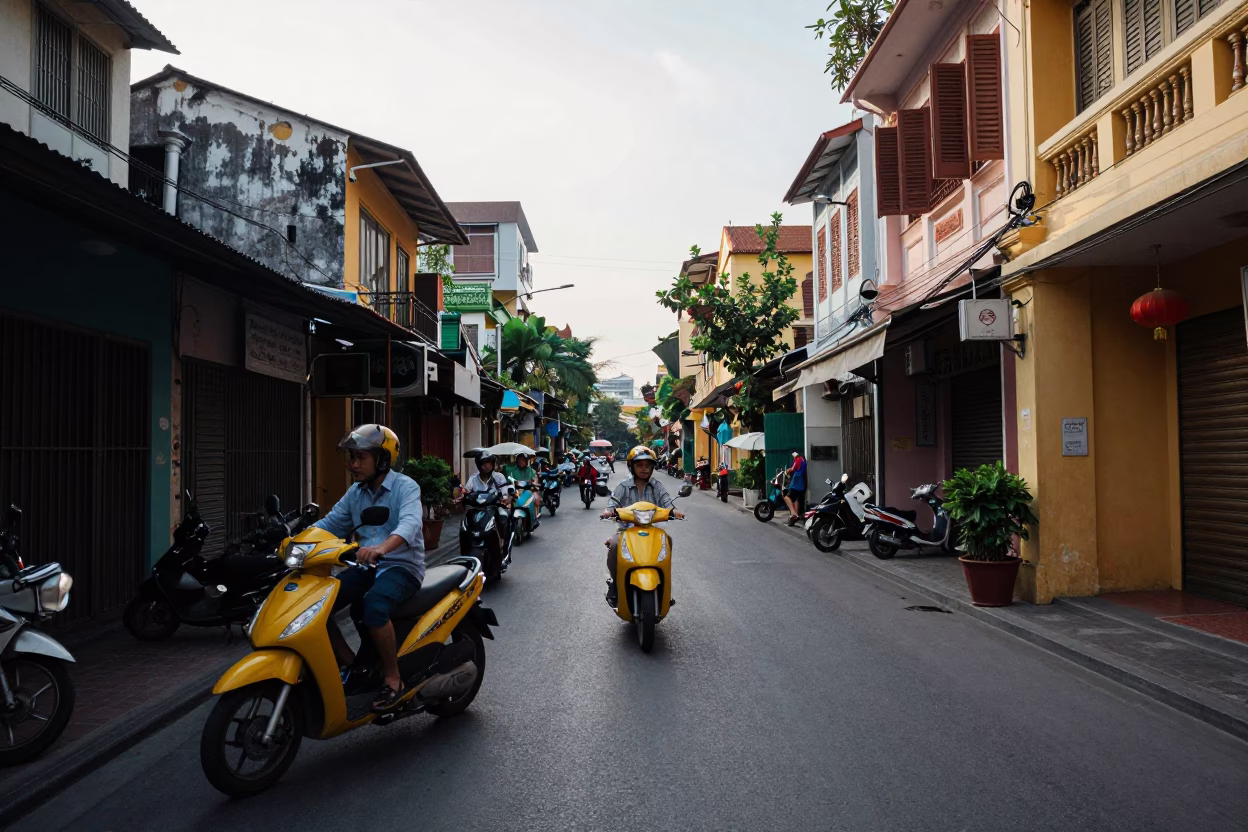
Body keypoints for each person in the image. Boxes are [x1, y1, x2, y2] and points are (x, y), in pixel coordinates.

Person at [315, 425, 423, 712]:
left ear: (383, 459)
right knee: (315, 605)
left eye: (361, 457)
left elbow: (410, 524)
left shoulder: (405, 487)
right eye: (352, 457)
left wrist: (382, 547)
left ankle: (392, 678)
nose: (353, 464)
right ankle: (354, 666)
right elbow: (329, 524)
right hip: (365, 566)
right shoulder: (355, 492)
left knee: (372, 607)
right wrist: (295, 541)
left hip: (402, 566)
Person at [599, 446, 684, 606]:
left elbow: (666, 501)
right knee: (614, 545)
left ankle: (665, 589)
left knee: (668, 541)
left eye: (648, 465)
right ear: (632, 466)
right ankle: (615, 586)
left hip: (650, 529)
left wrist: (675, 511)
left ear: (652, 467)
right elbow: (613, 503)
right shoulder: (623, 486)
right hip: (626, 531)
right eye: (640, 465)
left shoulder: (657, 486)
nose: (644, 469)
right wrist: (608, 511)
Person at [455, 451, 512, 557]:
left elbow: (505, 492)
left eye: (490, 462)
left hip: (494, 507)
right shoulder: (473, 478)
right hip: (476, 509)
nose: (488, 465)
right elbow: (466, 491)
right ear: (479, 465)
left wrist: (505, 499)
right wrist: (460, 498)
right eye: (484, 463)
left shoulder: (499, 477)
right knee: (464, 525)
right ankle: (465, 550)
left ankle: (502, 542)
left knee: (504, 516)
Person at [784, 450, 808, 526]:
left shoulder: (798, 459)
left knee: (787, 498)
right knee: (795, 500)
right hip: (801, 485)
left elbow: (793, 469)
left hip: (796, 484)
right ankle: (794, 516)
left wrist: (787, 471)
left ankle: (794, 514)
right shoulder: (803, 460)